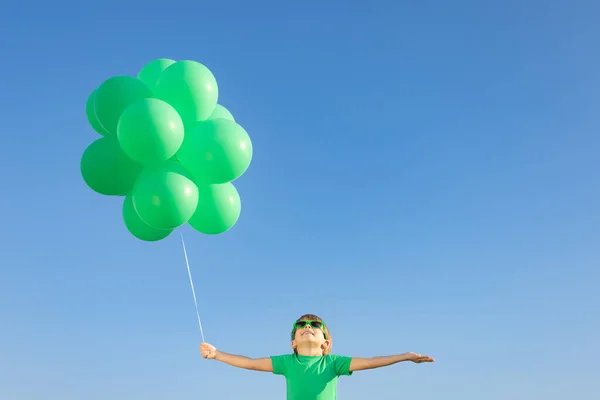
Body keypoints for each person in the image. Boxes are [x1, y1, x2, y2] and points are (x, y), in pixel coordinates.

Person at [200, 313, 434, 399]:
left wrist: (404, 356)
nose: (308, 325)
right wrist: (217, 354)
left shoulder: (334, 363)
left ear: (326, 343)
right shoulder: (287, 362)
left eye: (315, 324)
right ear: (293, 342)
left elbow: (372, 362)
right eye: (301, 324)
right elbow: (250, 363)